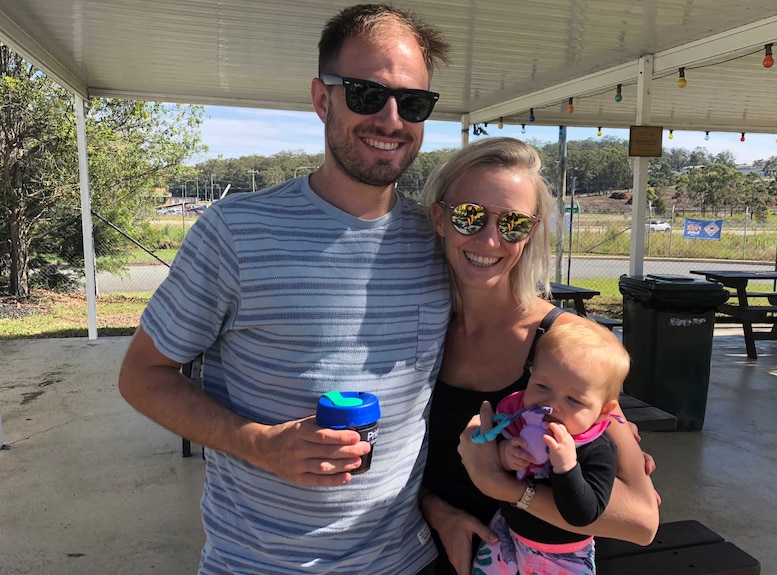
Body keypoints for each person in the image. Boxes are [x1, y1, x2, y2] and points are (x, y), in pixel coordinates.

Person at [118, 4, 451, 574]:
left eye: (413, 102)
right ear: (322, 99)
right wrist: (258, 443)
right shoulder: (236, 232)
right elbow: (142, 377)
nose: (392, 119)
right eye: (367, 94)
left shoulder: (437, 237)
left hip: (406, 561)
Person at [419, 137, 659, 575]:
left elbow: (641, 521)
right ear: (440, 218)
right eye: (470, 216)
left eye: (512, 223)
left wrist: (504, 488)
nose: (490, 239)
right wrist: (437, 510)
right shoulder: (421, 330)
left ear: (529, 233)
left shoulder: (566, 346)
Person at [472, 320, 630, 575]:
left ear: (603, 412)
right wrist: (505, 455)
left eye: (573, 399)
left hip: (563, 557)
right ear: (531, 375)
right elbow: (496, 460)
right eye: (542, 387)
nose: (552, 404)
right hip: (506, 536)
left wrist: (566, 466)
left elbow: (584, 514)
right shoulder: (519, 422)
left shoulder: (596, 448)